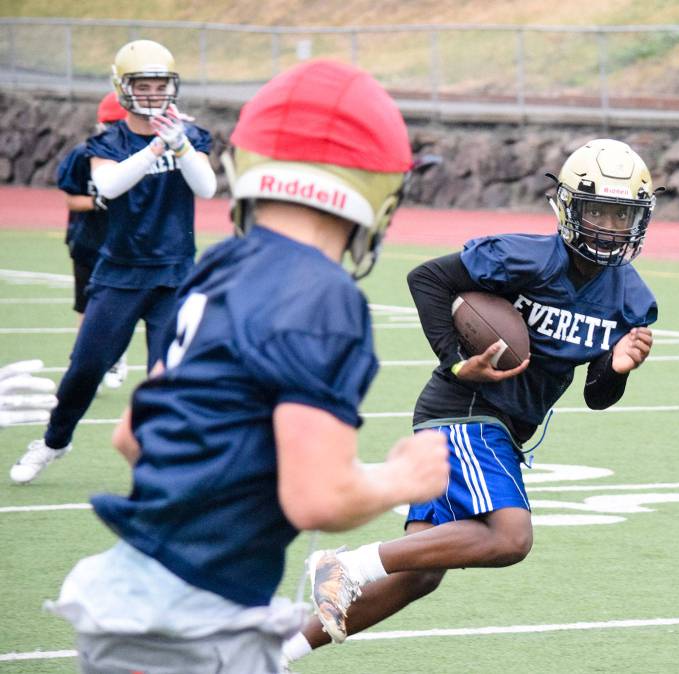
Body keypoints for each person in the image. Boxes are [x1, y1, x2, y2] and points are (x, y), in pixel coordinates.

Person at [45, 59, 450, 673]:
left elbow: (133, 436)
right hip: (196, 623)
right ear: (374, 191)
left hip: (123, 595)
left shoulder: (216, 267)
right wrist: (403, 479)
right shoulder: (324, 297)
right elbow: (317, 498)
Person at [284, 138, 658, 663]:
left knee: (418, 574)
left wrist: (617, 368)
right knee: (509, 537)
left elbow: (597, 396)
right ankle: (347, 565)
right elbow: (428, 279)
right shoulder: (525, 257)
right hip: (466, 407)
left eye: (622, 216)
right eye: (598, 211)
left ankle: (277, 650)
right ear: (569, 208)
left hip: (502, 423)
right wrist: (456, 359)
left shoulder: (631, 298)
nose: (608, 227)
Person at [10, 39, 217, 484]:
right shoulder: (108, 141)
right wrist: (155, 150)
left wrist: (179, 145)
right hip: (121, 271)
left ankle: (169, 461)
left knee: (171, 377)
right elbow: (108, 187)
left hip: (175, 274)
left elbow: (207, 188)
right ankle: (53, 441)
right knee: (87, 366)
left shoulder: (189, 136)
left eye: (160, 83)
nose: (152, 93)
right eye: (143, 84)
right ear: (124, 87)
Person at [55, 92, 129, 391]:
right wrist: (99, 200)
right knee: (85, 309)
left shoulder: (137, 155)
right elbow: (72, 199)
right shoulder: (82, 154)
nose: (113, 130)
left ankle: (114, 357)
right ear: (100, 123)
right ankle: (84, 365)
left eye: (119, 125)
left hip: (124, 247)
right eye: (109, 124)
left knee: (120, 308)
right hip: (87, 244)